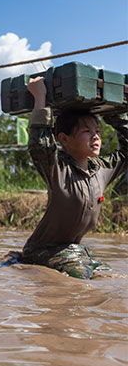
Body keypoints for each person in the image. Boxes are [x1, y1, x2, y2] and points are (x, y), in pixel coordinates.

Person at [19, 77, 127, 279]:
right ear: (64, 139)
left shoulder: (101, 169)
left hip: (74, 251)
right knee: (80, 280)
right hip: (42, 251)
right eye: (87, 131)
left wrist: (114, 113)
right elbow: (39, 146)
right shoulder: (58, 170)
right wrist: (40, 97)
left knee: (110, 277)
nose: (95, 137)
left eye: (97, 131)